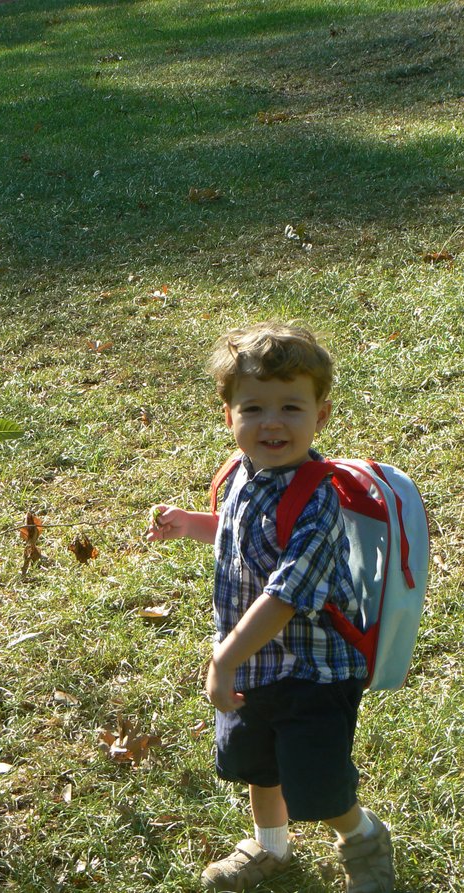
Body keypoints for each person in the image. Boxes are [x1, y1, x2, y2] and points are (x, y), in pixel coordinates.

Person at [147, 321, 394, 893]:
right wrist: (196, 524)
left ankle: (361, 836)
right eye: (253, 408)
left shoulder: (319, 501)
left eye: (291, 406)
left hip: (311, 670)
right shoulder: (240, 473)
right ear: (228, 414)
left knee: (316, 781)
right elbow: (246, 533)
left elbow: (284, 596)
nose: (273, 422)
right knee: (258, 764)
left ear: (321, 415)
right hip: (257, 664)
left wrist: (224, 660)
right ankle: (270, 847)